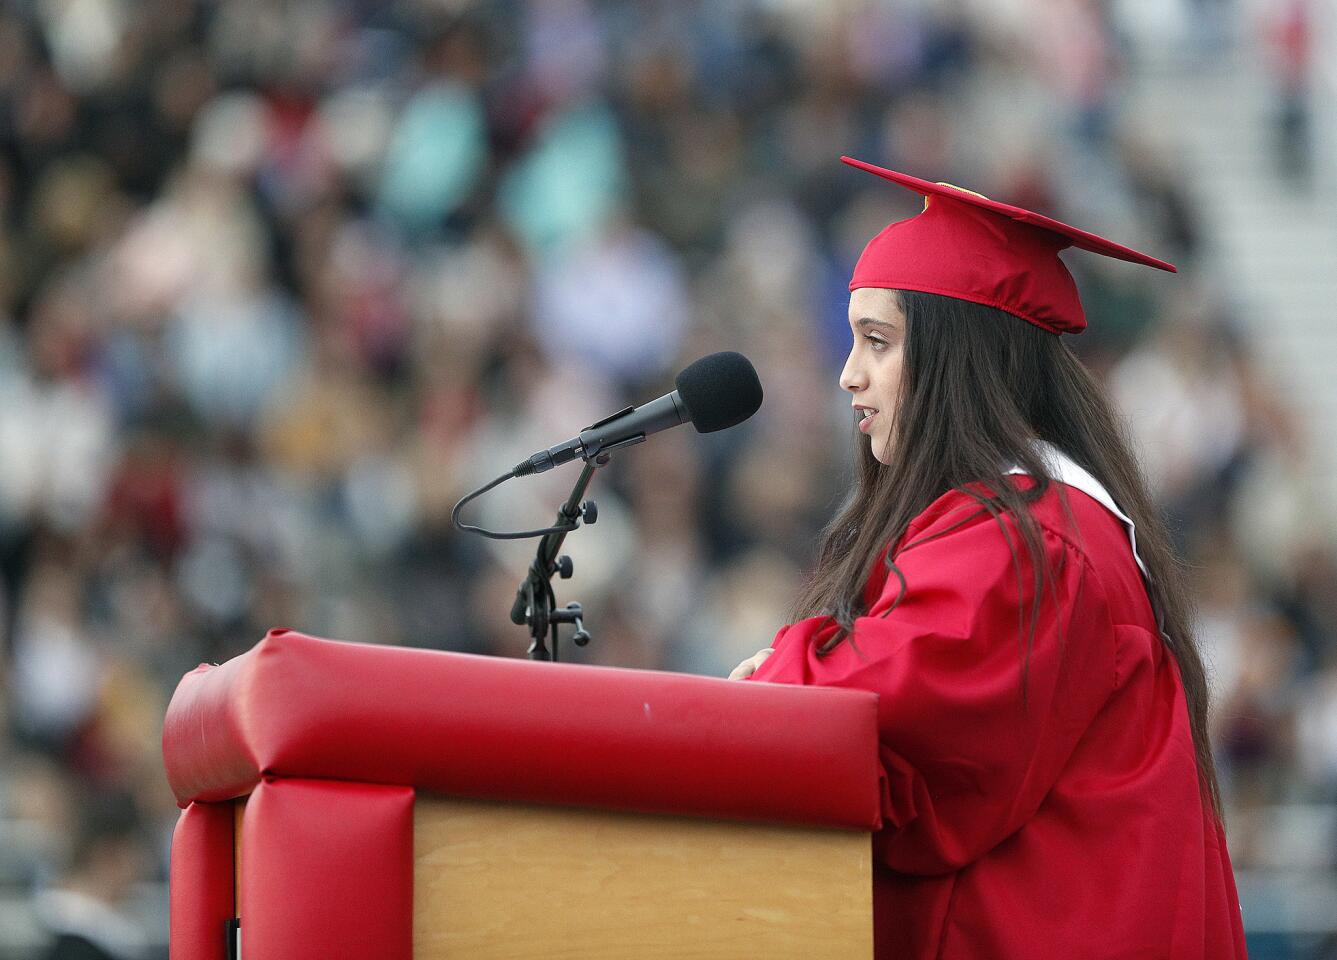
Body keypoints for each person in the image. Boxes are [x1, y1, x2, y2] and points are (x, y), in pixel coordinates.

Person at [730, 157, 1248, 959]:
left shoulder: (1029, 542)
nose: (847, 375)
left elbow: (874, 715)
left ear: (958, 358)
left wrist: (774, 677)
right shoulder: (1036, 528)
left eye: (877, 341)